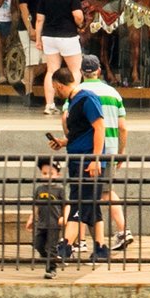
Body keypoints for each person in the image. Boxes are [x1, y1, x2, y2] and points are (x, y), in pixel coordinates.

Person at [54, 66, 113, 261]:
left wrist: (96, 159)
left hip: (88, 161)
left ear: (59, 85)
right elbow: (83, 131)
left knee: (80, 201)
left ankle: (66, 245)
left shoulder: (86, 98)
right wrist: (64, 142)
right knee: (90, 203)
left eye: (55, 89)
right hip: (78, 157)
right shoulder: (74, 101)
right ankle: (101, 247)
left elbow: (99, 127)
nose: (55, 93)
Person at [79, 56, 134, 250]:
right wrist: (121, 150)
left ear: (81, 72)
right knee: (105, 192)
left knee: (82, 192)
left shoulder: (79, 92)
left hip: (87, 151)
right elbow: (123, 127)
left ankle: (80, 240)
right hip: (110, 149)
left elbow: (66, 119)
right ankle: (122, 230)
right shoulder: (113, 93)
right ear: (99, 71)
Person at [32, 0, 85, 114]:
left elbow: (39, 20)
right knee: (75, 70)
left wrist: (38, 39)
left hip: (49, 36)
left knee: (51, 71)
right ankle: (70, 103)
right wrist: (80, 24)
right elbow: (78, 15)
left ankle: (49, 104)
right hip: (68, 36)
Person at [30, 156, 69, 275]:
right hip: (41, 223)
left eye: (51, 173)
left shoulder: (59, 190)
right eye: (44, 173)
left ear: (58, 175)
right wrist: (32, 218)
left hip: (54, 223)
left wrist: (64, 217)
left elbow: (66, 205)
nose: (47, 176)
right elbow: (35, 205)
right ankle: (50, 259)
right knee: (38, 244)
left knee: (51, 246)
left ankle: (51, 268)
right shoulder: (39, 189)